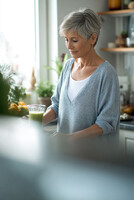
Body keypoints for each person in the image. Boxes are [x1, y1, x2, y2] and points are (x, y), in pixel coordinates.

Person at [43, 8, 120, 139]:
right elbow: (56, 105)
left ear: (93, 38)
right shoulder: (68, 66)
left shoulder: (106, 74)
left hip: (94, 157)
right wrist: (38, 122)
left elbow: (107, 122)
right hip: (66, 153)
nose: (68, 46)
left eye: (74, 40)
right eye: (66, 39)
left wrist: (70, 138)